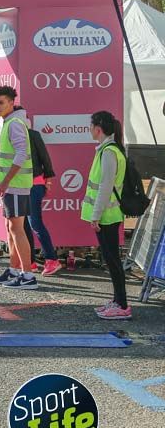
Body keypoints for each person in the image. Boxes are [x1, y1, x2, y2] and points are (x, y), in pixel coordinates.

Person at [0, 86, 38, 290]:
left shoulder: (14, 123)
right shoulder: (10, 122)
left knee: (17, 229)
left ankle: (28, 275)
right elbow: (7, 159)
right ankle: (15, 270)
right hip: (12, 185)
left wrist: (5, 181)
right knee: (11, 228)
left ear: (11, 103)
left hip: (16, 185)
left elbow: (21, 154)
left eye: (1, 102)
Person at [84, 111, 132, 320]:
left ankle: (122, 305)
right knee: (111, 260)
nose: (89, 129)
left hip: (108, 216)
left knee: (113, 261)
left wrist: (96, 215)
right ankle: (118, 301)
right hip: (108, 215)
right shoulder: (107, 150)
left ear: (98, 128)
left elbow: (105, 186)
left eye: (90, 125)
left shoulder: (109, 152)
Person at [22, 119, 60, 276]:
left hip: (34, 185)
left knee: (35, 223)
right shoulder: (11, 136)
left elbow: (45, 157)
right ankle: (29, 262)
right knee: (23, 225)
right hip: (20, 186)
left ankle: (52, 259)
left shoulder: (32, 135)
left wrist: (48, 179)